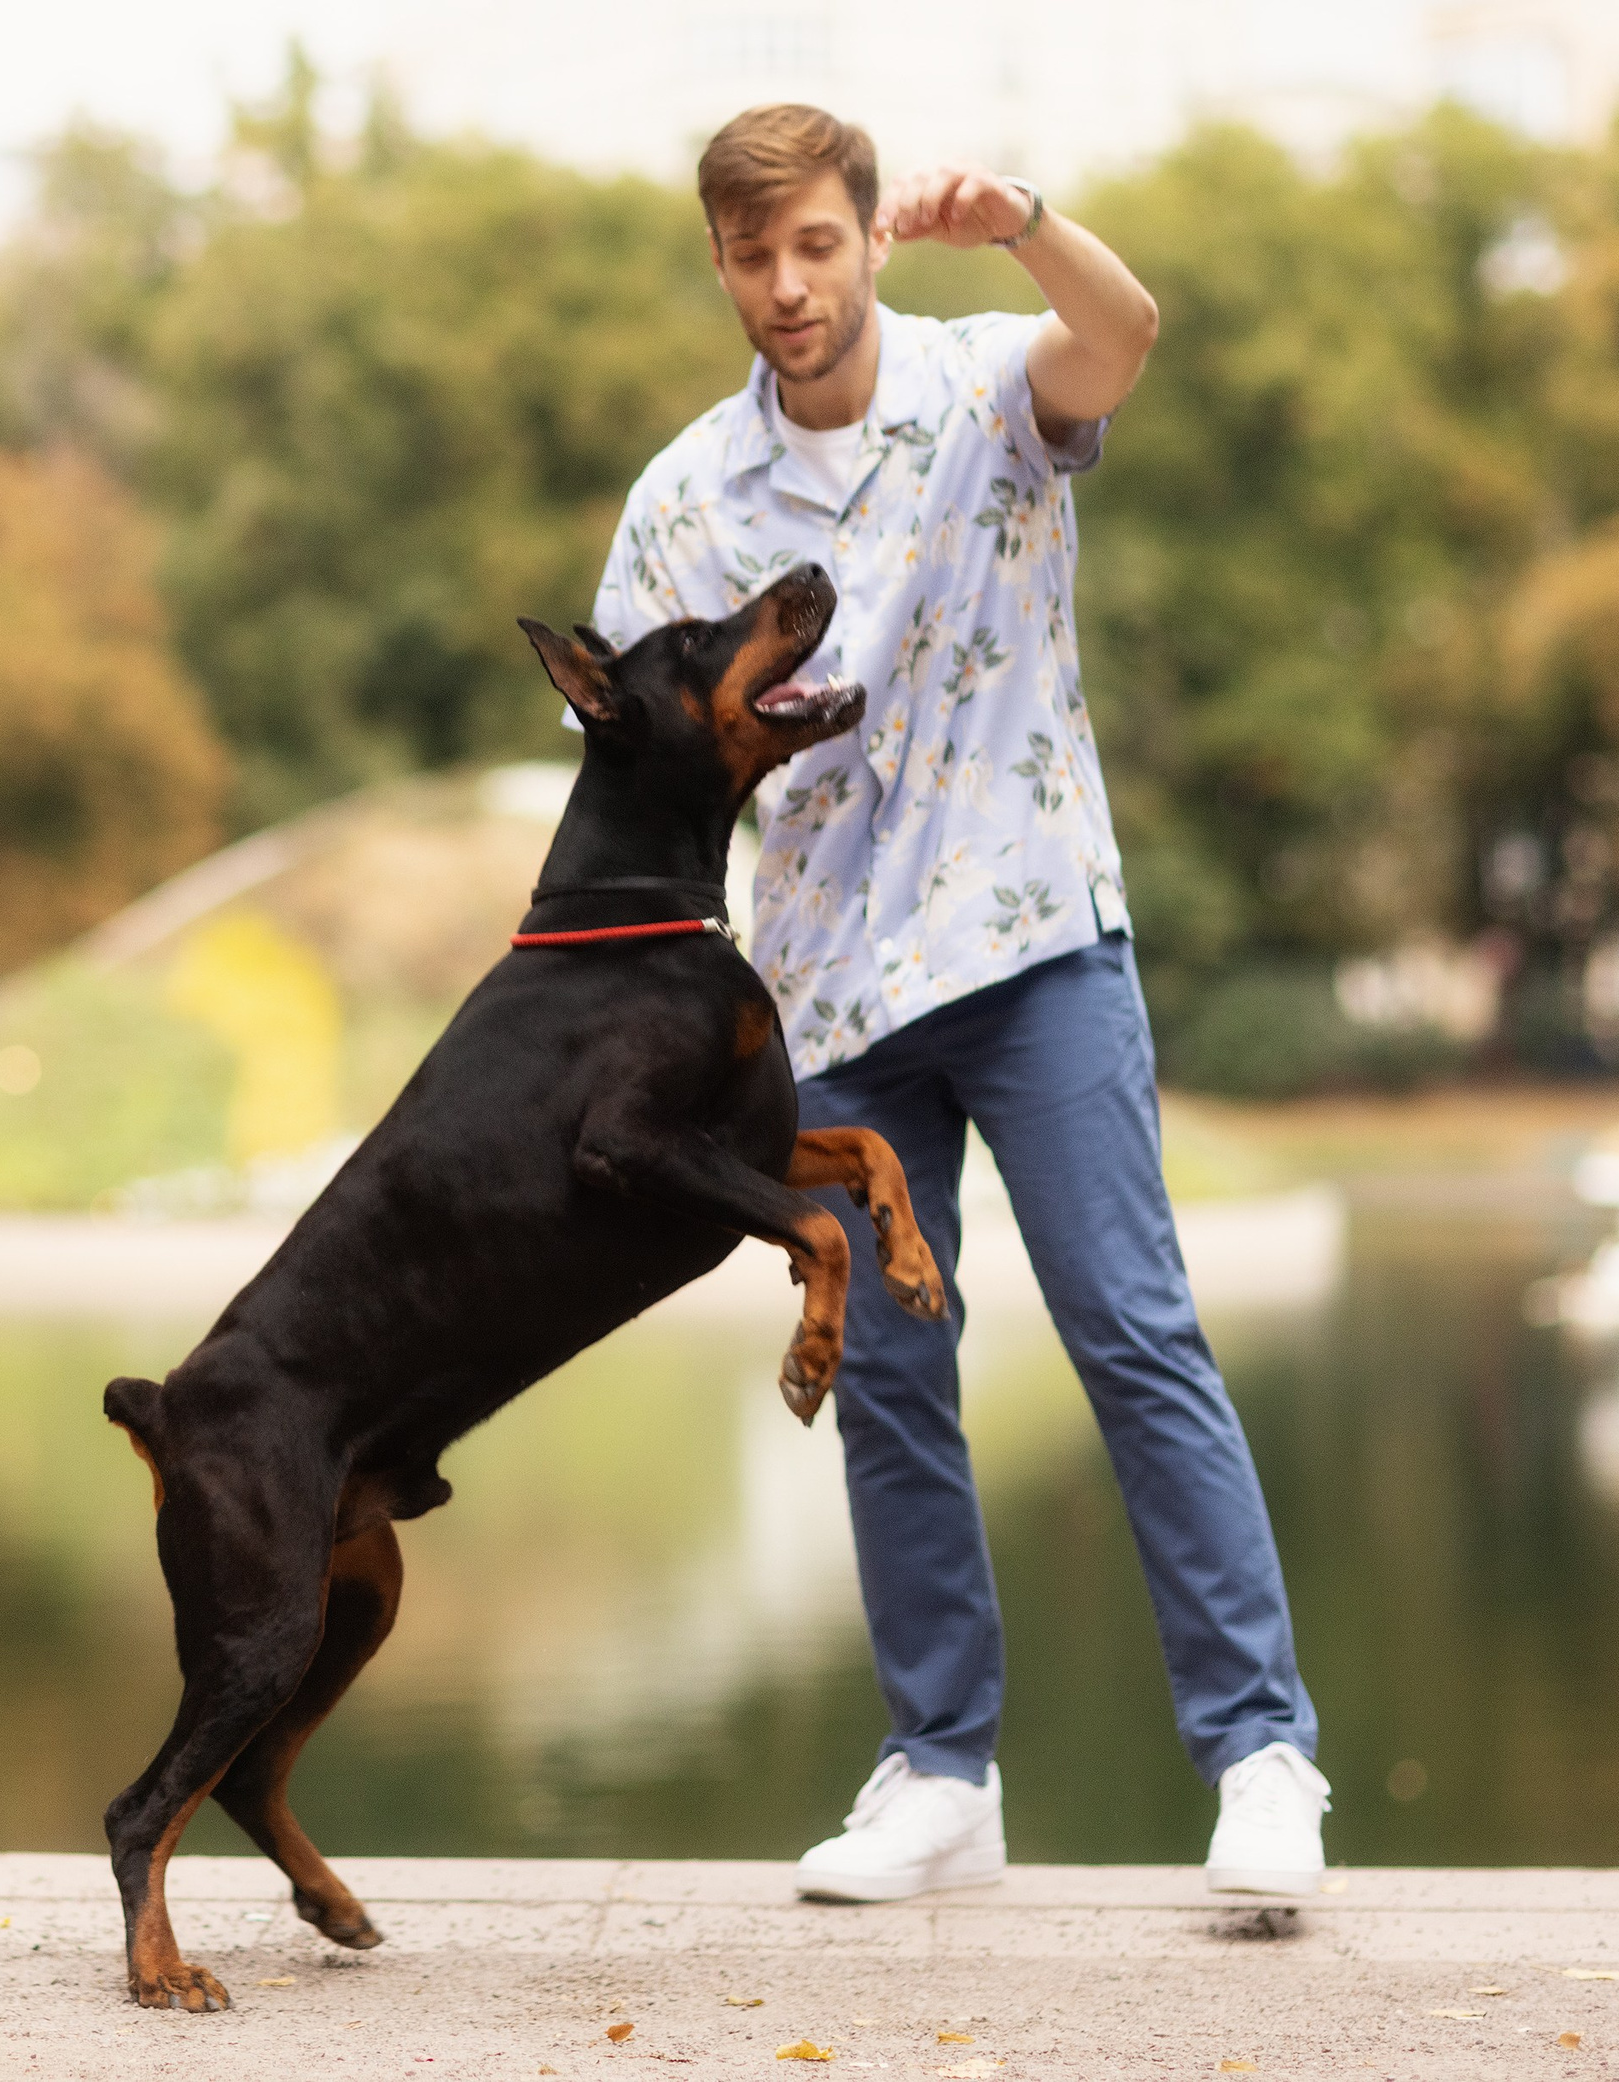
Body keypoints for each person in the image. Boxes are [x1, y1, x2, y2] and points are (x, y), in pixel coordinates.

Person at [589, 104, 1329, 1902]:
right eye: (753, 256)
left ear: (867, 239)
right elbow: (629, 766)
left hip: (1030, 934)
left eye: (817, 245)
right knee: (895, 1378)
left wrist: (1028, 221)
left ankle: (1262, 1754)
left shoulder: (991, 385)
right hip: (832, 979)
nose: (787, 286)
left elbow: (1124, 339)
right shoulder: (685, 499)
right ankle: (941, 1770)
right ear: (721, 263)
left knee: (1129, 1325)